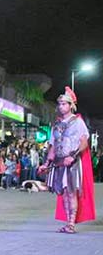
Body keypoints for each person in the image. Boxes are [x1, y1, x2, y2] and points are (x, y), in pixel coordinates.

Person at [39, 86, 95, 233]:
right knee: (63, 193)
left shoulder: (78, 122)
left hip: (73, 163)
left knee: (71, 192)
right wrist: (46, 163)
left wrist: (73, 156)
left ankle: (71, 224)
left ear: (71, 106)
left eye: (64, 103)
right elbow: (52, 146)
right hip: (58, 162)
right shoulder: (56, 124)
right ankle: (67, 223)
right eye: (60, 104)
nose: (61, 106)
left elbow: (84, 142)